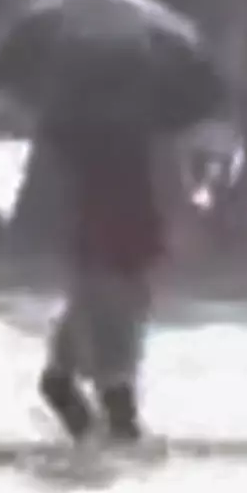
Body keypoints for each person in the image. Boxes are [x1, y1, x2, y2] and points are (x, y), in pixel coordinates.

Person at [37, 104, 167, 446]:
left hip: (112, 279)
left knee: (112, 384)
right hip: (96, 278)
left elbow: (141, 236)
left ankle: (122, 453)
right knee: (58, 382)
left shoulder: (119, 172)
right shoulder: (99, 172)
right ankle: (95, 444)